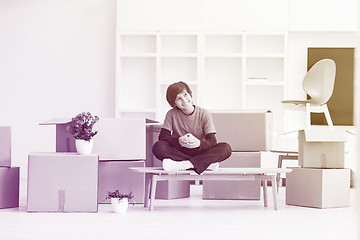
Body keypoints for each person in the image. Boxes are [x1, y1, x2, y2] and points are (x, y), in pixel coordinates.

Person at [152, 81, 232, 175]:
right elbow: (163, 138)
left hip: (200, 151)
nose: (184, 100)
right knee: (158, 147)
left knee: (226, 148)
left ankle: (184, 164)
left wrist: (198, 143)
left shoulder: (204, 113)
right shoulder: (171, 114)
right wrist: (179, 141)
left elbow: (212, 141)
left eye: (185, 94)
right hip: (180, 151)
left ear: (190, 94)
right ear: (174, 103)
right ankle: (204, 164)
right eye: (178, 98)